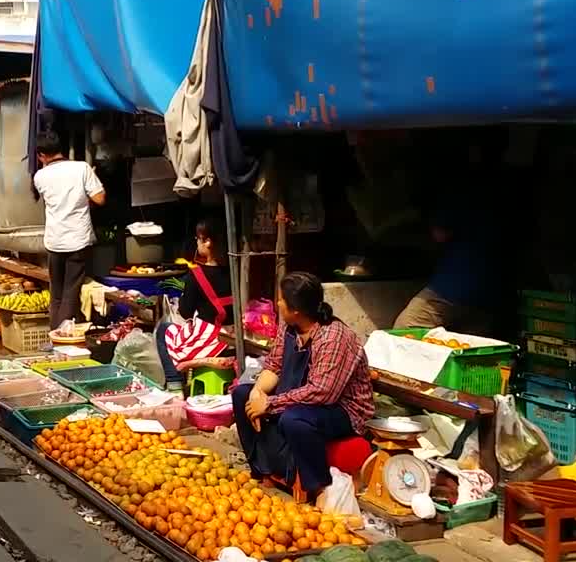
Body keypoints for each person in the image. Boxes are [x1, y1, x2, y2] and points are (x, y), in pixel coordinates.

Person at [232, 272, 374, 500]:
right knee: (242, 394)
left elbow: (322, 392)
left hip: (342, 409)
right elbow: (274, 364)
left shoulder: (332, 337)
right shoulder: (290, 326)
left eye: (281, 300)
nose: (277, 303)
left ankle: (319, 485)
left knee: (294, 419)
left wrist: (269, 404)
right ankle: (264, 469)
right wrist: (258, 392)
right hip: (299, 396)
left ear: (296, 309)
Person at [32, 130, 106, 329]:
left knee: (56, 294)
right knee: (70, 293)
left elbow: (54, 200)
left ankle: (53, 335)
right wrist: (85, 191)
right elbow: (100, 199)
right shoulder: (82, 168)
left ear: (41, 155)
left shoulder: (40, 176)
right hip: (78, 241)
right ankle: (61, 339)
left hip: (54, 241)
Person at [394, 199, 499, 335]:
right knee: (467, 346)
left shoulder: (455, 191)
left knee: (404, 331)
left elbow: (440, 234)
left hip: (455, 285)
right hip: (491, 290)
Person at [159, 219, 234, 388]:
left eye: (198, 239)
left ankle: (174, 385)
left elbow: (185, 312)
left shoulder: (197, 274)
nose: (197, 243)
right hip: (234, 336)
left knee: (165, 329)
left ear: (208, 242)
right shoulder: (235, 271)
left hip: (212, 338)